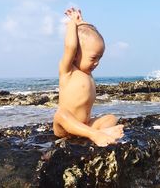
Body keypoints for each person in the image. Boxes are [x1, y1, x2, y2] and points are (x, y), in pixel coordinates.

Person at [53, 8, 124, 147]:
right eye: (93, 58)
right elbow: (71, 45)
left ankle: (101, 132)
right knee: (60, 114)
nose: (96, 62)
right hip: (65, 127)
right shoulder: (67, 70)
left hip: (84, 125)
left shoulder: (87, 73)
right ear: (75, 55)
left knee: (111, 118)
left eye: (99, 58)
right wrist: (73, 23)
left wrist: (82, 22)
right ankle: (95, 135)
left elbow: (89, 34)